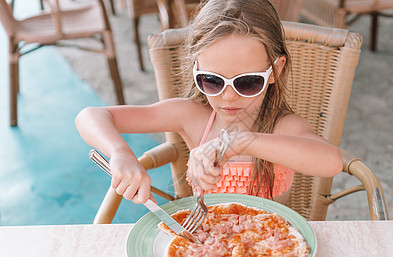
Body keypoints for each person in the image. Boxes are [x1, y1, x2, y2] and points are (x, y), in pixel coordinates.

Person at [75, 0, 343, 206]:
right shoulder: (190, 116)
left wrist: (240, 142)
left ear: (275, 70)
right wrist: (120, 152)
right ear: (196, 68)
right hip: (205, 252)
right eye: (212, 80)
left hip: (271, 251)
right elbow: (91, 115)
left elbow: (331, 162)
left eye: (247, 82)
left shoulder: (283, 126)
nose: (228, 96)